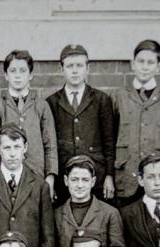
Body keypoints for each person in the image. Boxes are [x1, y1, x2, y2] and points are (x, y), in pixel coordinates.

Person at [112, 40, 160, 207]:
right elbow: (110, 139)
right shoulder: (118, 97)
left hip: (157, 180)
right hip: (126, 178)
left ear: (158, 66)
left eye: (150, 62)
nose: (145, 66)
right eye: (140, 61)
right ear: (132, 64)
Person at [0, 50, 58, 199]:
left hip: (36, 175)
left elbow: (50, 146)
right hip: (4, 177)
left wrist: (50, 178)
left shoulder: (41, 106)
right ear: (6, 75)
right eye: (13, 71)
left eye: (23, 71)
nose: (18, 75)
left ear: (30, 75)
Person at [46, 44, 115, 203]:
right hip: (65, 179)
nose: (75, 70)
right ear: (61, 69)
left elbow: (109, 142)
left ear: (87, 68)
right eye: (70, 66)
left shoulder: (101, 99)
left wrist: (109, 175)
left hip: (95, 177)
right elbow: (49, 145)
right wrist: (53, 178)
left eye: (79, 65)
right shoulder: (52, 102)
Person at [54, 155, 126, 247]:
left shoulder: (109, 213)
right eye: (75, 179)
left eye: (85, 180)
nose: (80, 185)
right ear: (66, 181)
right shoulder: (56, 214)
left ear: (93, 182)